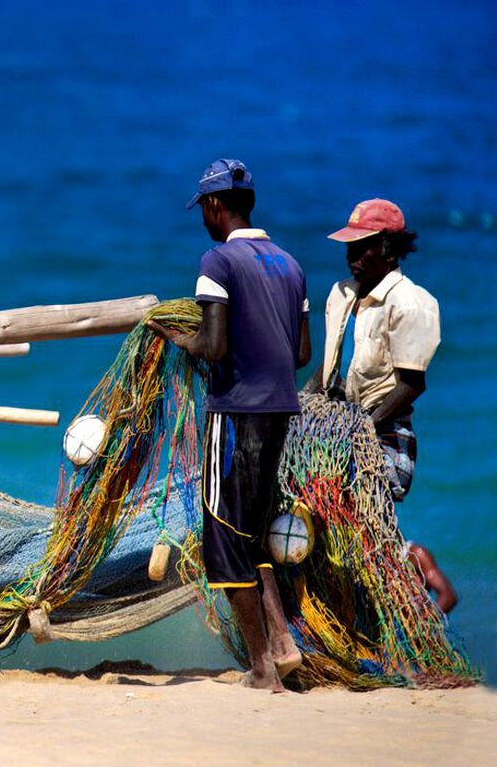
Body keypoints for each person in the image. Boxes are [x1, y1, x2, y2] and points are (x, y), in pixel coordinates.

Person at [150, 158, 310, 692]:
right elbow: (302, 353)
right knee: (252, 533)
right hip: (280, 413)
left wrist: (181, 341)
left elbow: (213, 346)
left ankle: (263, 671)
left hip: (236, 414)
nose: (203, 218)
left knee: (224, 538)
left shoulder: (217, 263)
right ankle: (283, 646)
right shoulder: (291, 265)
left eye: (204, 209)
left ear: (215, 207)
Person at [302, 198, 456, 611]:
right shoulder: (341, 295)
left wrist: (360, 429)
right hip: (342, 432)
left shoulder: (410, 302)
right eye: (349, 247)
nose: (351, 256)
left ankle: (421, 569)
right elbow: (331, 366)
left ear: (388, 248)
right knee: (326, 526)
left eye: (362, 247)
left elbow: (411, 385)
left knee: (352, 523)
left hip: (386, 438)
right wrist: (300, 404)